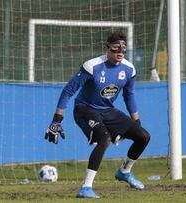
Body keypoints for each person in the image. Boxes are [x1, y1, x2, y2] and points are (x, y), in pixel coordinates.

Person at [45, 32, 150, 198]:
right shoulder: (92, 66)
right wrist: (57, 120)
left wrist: (136, 121)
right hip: (84, 109)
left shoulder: (129, 69)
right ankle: (86, 188)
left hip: (107, 110)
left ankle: (124, 171)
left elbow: (129, 96)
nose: (120, 52)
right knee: (104, 138)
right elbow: (68, 90)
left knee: (143, 136)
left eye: (123, 49)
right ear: (107, 48)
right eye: (116, 49)